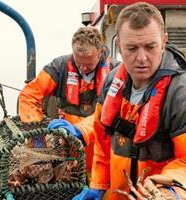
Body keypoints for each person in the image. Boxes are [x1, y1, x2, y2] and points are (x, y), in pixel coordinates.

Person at [69, 1, 186, 200]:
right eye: (132, 48)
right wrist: (99, 183)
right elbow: (102, 139)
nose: (141, 58)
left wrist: (171, 194)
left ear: (164, 41)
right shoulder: (112, 82)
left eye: (150, 47)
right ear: (118, 45)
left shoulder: (182, 94)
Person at [18, 26, 118, 174]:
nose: (83, 68)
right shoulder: (59, 67)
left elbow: (111, 111)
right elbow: (29, 95)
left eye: (89, 64)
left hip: (104, 153)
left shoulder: (116, 72)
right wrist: (36, 133)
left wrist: (80, 130)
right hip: (69, 152)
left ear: (101, 52)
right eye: (79, 63)